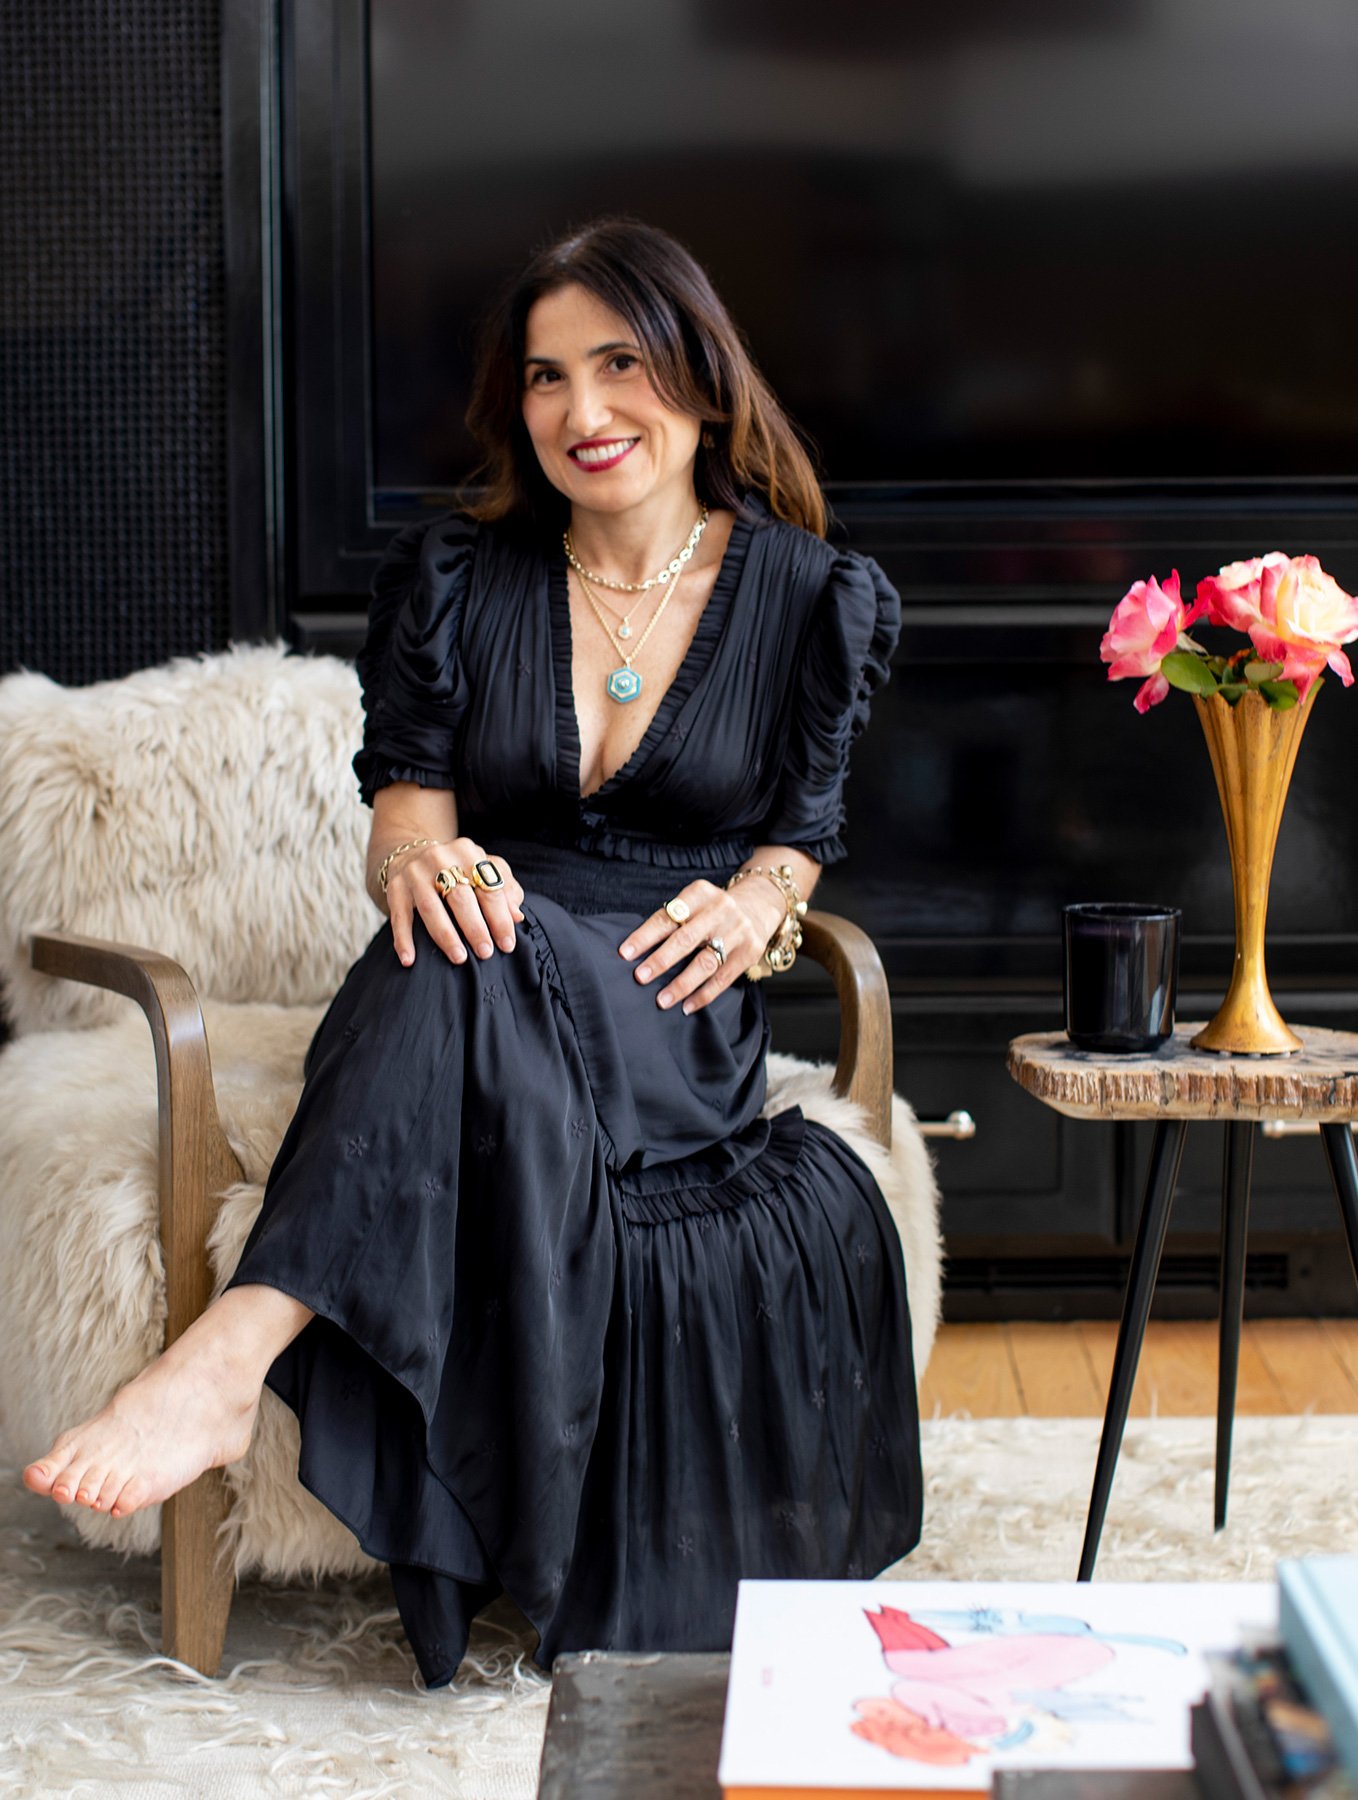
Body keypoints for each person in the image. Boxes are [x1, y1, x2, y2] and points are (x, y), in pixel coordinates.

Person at [24, 218, 922, 1686]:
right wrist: (422, 860)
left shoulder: (814, 598)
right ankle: (226, 1366)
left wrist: (762, 902)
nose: (581, 413)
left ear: (699, 373)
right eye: (545, 378)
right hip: (463, 962)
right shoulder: (455, 578)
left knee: (469, 956)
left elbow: (798, 831)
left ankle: (219, 1364)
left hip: (660, 1008)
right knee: (458, 941)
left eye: (619, 365)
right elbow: (409, 838)